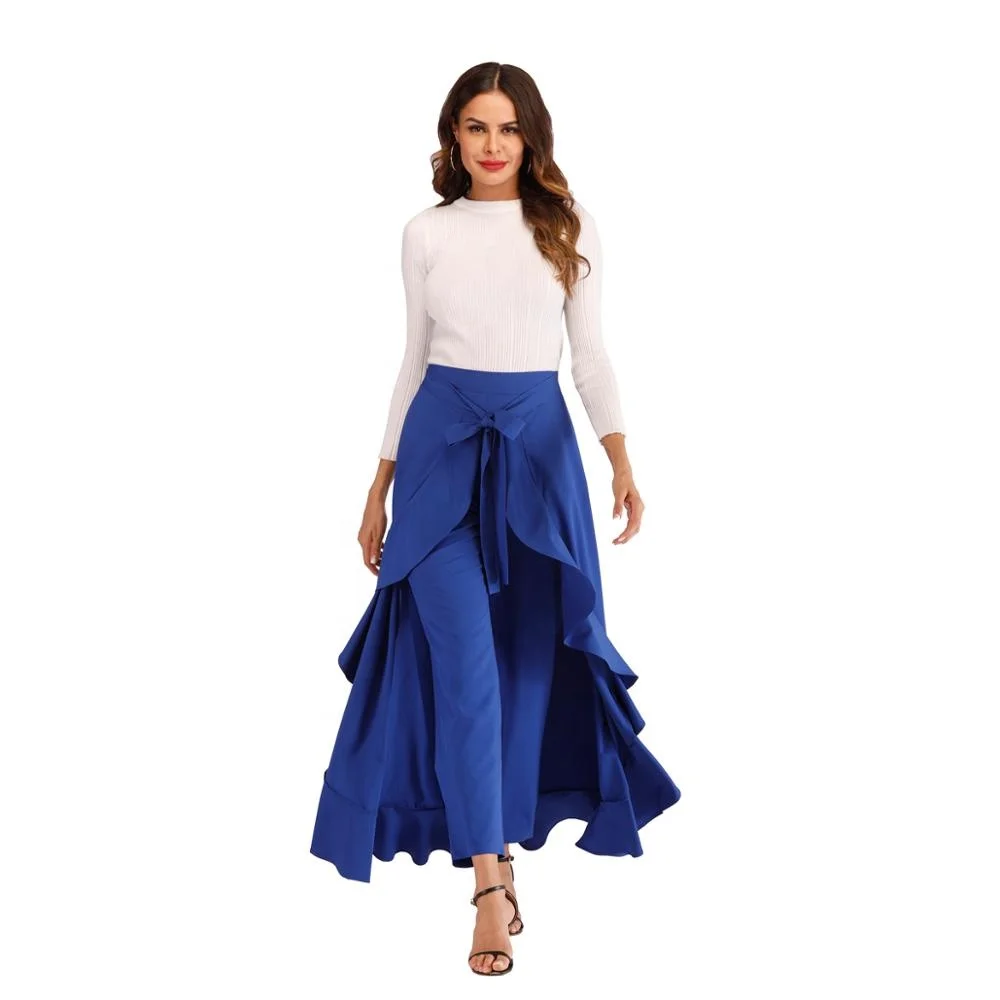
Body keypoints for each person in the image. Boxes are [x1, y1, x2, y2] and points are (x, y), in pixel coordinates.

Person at [310, 61, 681, 977]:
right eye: (476, 127)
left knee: (528, 671)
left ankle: (503, 848)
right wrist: (378, 484)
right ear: (453, 136)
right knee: (467, 672)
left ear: (531, 137)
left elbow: (588, 356)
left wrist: (621, 458)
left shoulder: (567, 225)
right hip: (438, 461)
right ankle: (488, 886)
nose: (492, 144)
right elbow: (413, 360)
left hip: (538, 466)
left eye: (508, 128)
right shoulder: (425, 233)